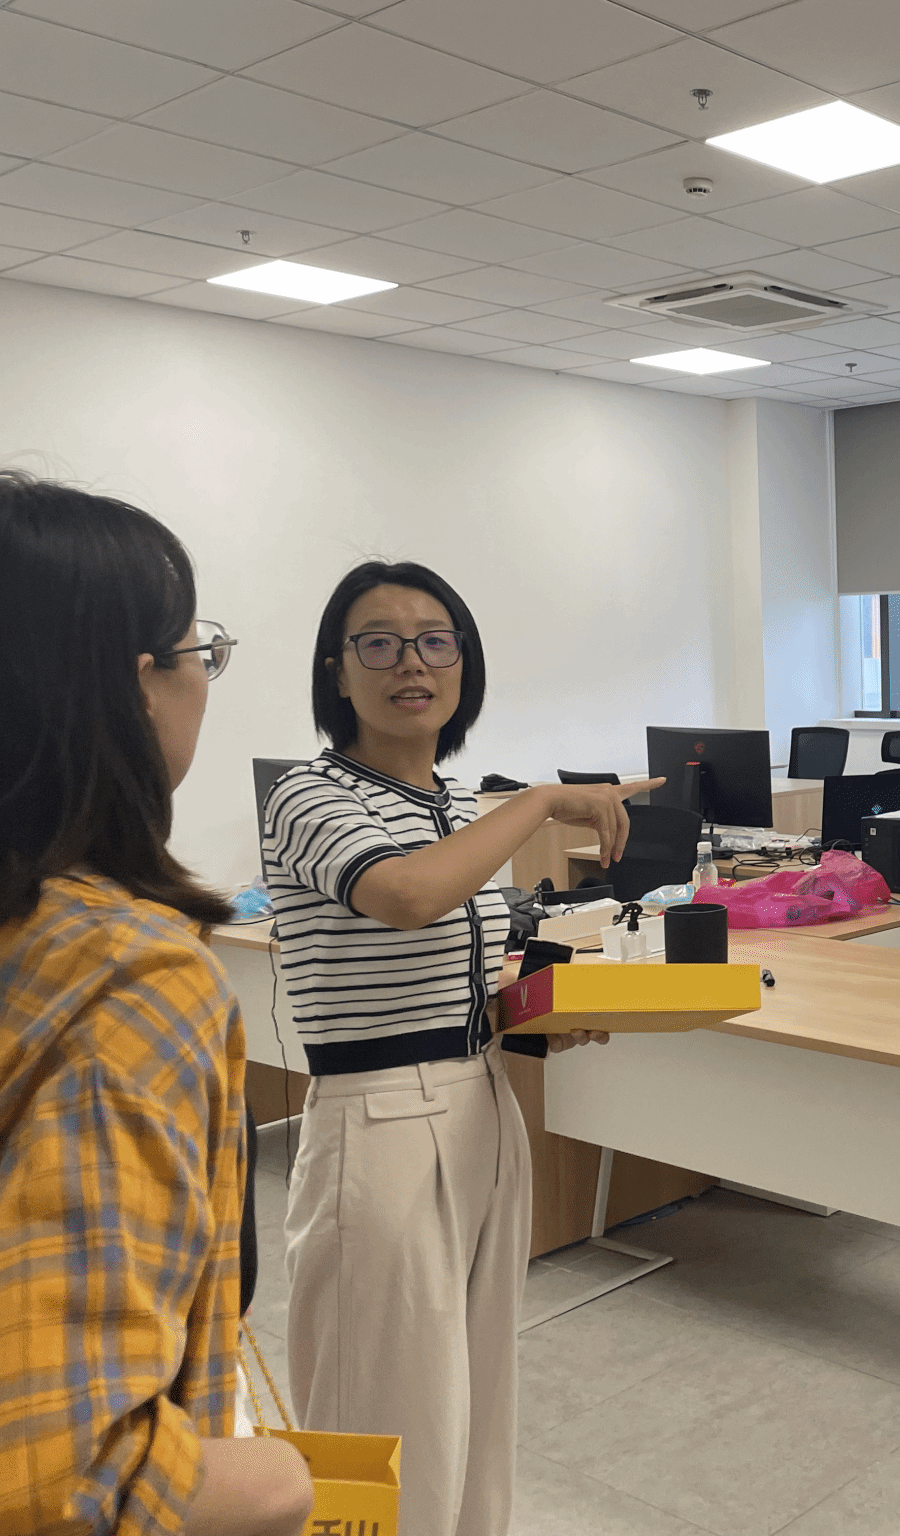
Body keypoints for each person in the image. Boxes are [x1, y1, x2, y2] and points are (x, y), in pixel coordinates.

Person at [0, 472, 313, 1534]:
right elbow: (43, 1491)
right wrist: (279, 1482)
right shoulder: (122, 982)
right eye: (199, 651)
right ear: (136, 687)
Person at [264, 560, 657, 1536]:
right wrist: (541, 801)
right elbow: (406, 897)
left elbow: (451, 972)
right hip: (381, 1121)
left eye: (436, 641)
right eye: (380, 642)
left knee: (473, 1407)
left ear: (463, 664)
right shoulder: (309, 795)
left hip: (481, 1102)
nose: (413, 663)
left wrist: (536, 1013)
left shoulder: (446, 804)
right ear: (336, 670)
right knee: (383, 1417)